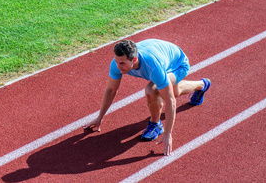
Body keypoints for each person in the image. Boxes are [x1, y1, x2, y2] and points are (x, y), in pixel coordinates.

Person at [83, 39, 211, 156]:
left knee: (153, 90)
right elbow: (111, 90)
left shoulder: (153, 67)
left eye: (122, 63)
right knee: (170, 90)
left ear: (134, 60)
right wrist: (100, 116)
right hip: (162, 58)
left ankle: (156, 125)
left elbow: (170, 101)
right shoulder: (117, 63)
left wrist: (168, 133)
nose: (118, 66)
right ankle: (202, 85)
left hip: (178, 64)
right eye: (116, 61)